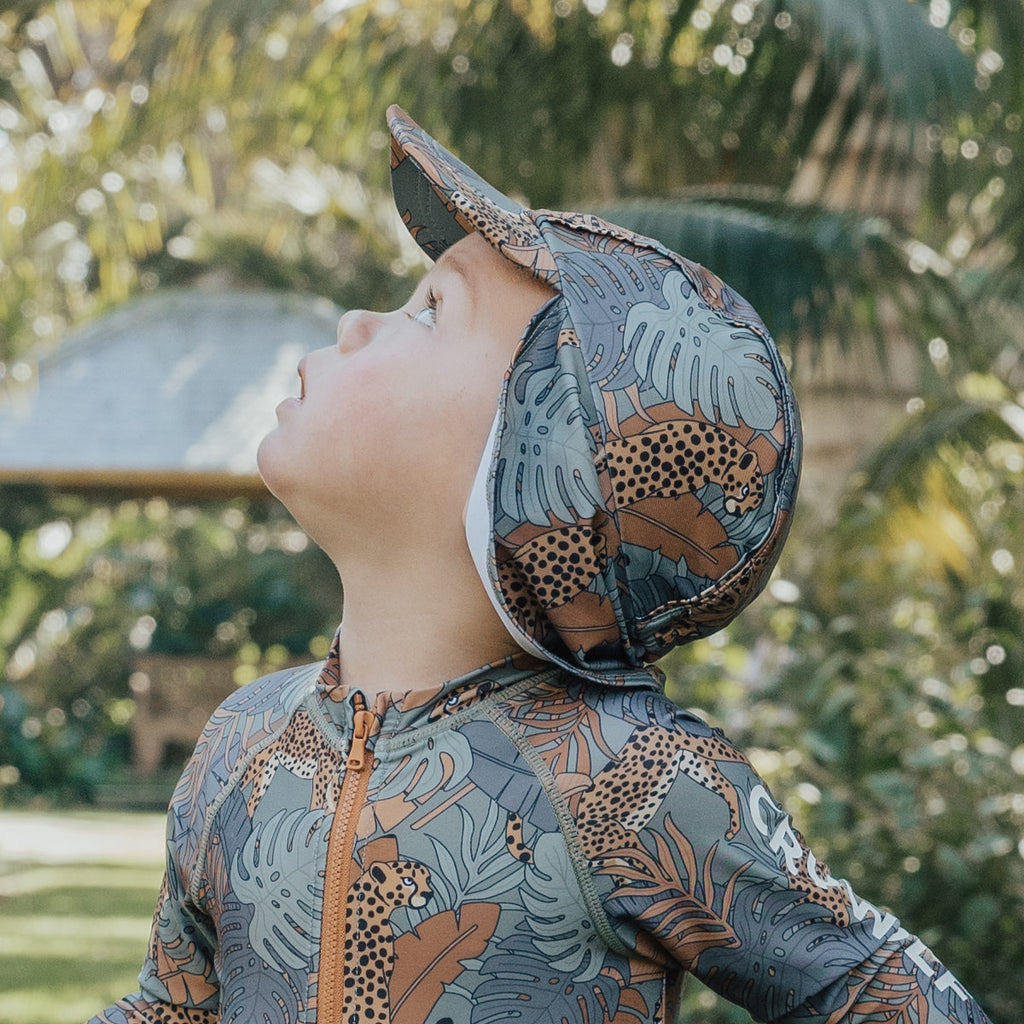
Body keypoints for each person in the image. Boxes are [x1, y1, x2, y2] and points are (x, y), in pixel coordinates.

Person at [87, 106, 992, 1024]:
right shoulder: (242, 743)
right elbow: (173, 1005)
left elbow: (879, 990)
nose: (357, 323)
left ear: (542, 464)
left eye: (431, 309)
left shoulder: (628, 778)